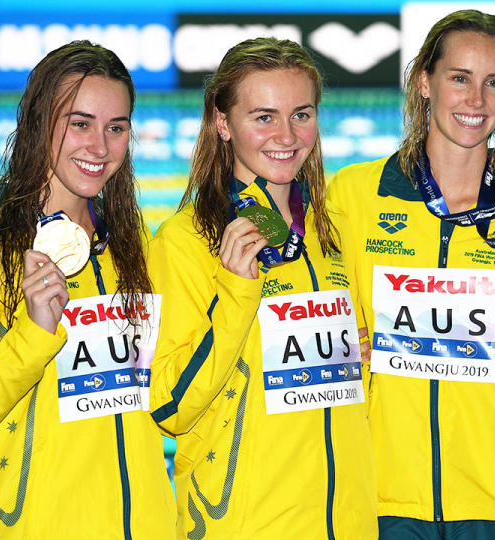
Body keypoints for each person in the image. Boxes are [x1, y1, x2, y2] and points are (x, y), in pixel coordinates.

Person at [327, 10, 495, 539]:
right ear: (425, 82)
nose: (476, 100)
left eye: (493, 83)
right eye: (460, 78)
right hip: (381, 497)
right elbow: (325, 334)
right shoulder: (355, 197)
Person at [0, 41, 174, 538]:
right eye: (80, 124)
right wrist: (33, 334)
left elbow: (166, 384)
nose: (100, 147)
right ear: (39, 124)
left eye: (116, 128)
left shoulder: (132, 249)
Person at [148, 37, 376, 539]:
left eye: (302, 114)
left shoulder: (331, 231)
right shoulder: (184, 242)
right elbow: (168, 406)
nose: (287, 135)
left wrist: (359, 355)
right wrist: (235, 295)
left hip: (347, 520)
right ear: (223, 123)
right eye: (264, 117)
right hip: (243, 522)